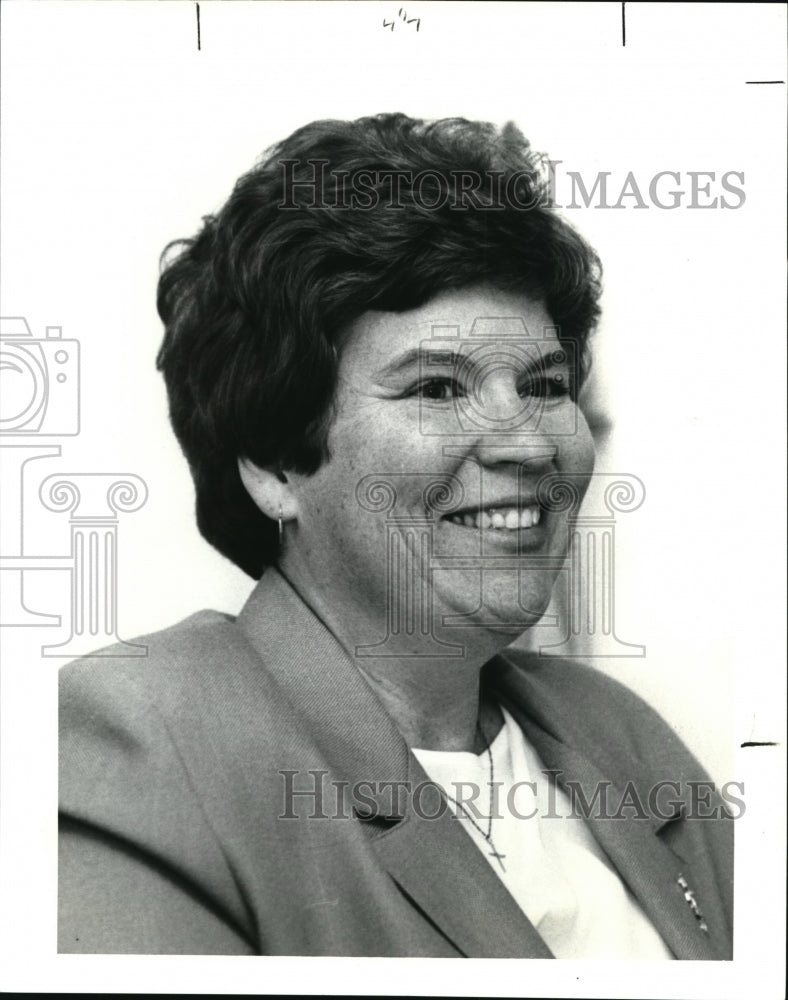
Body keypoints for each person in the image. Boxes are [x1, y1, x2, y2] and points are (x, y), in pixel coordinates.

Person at [58, 113, 733, 958]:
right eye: (438, 389)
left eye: (545, 382)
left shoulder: (620, 734)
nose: (527, 443)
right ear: (274, 464)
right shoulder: (145, 739)